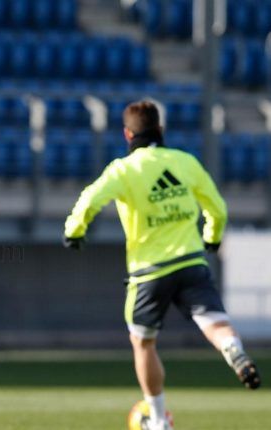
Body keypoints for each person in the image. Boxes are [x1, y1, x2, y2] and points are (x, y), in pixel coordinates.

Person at [63, 101, 261, 430]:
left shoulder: (123, 170)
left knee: (143, 343)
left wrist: (74, 231)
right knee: (215, 322)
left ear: (128, 134)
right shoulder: (185, 162)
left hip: (149, 272)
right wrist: (212, 238)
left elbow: (90, 199)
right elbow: (218, 207)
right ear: (161, 130)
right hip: (192, 262)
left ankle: (157, 420)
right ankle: (233, 350)